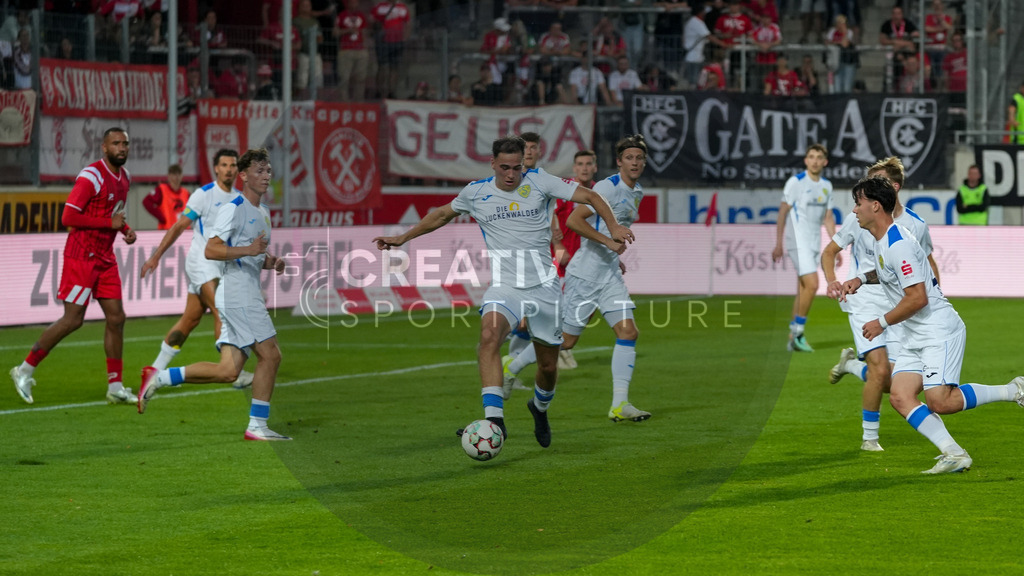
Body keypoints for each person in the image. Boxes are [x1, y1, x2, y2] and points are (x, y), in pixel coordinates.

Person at [371, 135, 635, 449]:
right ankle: (494, 420)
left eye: (517, 167)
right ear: (493, 164)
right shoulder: (476, 192)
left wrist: (614, 226)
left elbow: (591, 196)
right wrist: (403, 237)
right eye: (505, 167)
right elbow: (441, 214)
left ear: (524, 163)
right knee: (488, 337)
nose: (511, 174)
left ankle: (539, 408)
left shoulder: (540, 181)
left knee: (549, 366)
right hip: (506, 287)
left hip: (545, 289)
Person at [833, 176, 1024, 474]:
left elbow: (918, 297)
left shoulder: (898, 244)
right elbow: (888, 272)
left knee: (940, 401)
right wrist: (860, 278)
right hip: (914, 334)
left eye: (858, 204)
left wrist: (881, 323)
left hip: (937, 330)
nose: (854, 210)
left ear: (875, 206)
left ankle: (1013, 390)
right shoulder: (884, 240)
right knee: (900, 396)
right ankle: (954, 453)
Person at [140, 148, 290, 441]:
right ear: (244, 176)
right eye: (259, 171)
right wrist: (248, 251)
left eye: (268, 171)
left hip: (244, 294)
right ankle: (257, 426)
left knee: (228, 371)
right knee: (270, 356)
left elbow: (253, 253)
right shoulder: (233, 207)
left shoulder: (264, 212)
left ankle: (158, 377)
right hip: (237, 296)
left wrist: (271, 262)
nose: (266, 176)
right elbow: (212, 249)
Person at [10, 127, 138, 405]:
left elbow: (112, 214)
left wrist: (125, 229)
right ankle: (24, 369)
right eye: (116, 143)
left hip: (105, 257)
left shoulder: (125, 178)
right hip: (81, 256)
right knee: (73, 319)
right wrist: (110, 224)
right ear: (104, 148)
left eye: (125, 144)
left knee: (117, 318)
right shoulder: (91, 176)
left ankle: (115, 386)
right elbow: (68, 216)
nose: (122, 148)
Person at [823, 155, 940, 450]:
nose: (871, 188)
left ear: (895, 187)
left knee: (896, 379)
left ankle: (850, 367)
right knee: (879, 370)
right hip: (862, 297)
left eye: (879, 182)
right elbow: (828, 252)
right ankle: (870, 439)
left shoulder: (915, 224)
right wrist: (832, 280)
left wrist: (938, 298)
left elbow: (927, 262)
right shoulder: (858, 216)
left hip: (897, 303)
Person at [139, 148, 254, 389]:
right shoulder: (204, 195)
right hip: (200, 261)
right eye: (224, 165)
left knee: (189, 320)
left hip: (219, 267)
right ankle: (231, 368)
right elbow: (180, 226)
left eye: (233, 165)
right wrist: (156, 256)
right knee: (222, 308)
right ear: (216, 168)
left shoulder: (238, 199)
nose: (229, 169)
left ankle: (155, 371)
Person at [560, 136, 651, 422]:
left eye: (639, 158)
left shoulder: (638, 192)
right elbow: (574, 221)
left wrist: (615, 255)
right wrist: (609, 243)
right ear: (619, 162)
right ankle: (513, 365)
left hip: (609, 275)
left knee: (628, 332)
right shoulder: (606, 188)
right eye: (629, 158)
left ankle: (619, 405)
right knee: (564, 342)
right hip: (584, 274)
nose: (634, 162)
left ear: (644, 162)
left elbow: (612, 231)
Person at [503, 148, 597, 384]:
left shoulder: (597, 192)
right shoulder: (567, 192)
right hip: (559, 265)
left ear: (595, 167)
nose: (585, 168)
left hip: (582, 265)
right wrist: (558, 246)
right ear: (575, 168)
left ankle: (518, 354)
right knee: (542, 318)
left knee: (556, 320)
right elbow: (550, 213)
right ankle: (512, 355)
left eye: (589, 164)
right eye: (580, 164)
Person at [771, 144, 835, 352]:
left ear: (825, 162)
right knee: (813, 284)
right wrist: (779, 242)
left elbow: (828, 217)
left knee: (803, 288)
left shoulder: (827, 186)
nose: (815, 161)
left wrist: (835, 244)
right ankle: (798, 334)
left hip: (814, 243)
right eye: (811, 157)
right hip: (797, 241)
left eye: (819, 157)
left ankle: (793, 336)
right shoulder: (796, 182)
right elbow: (782, 212)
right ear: (806, 160)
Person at [371, 0, 411, 99]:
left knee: (394, 67)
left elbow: (408, 23)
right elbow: (372, 21)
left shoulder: (402, 7)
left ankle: (391, 91)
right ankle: (379, 91)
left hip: (397, 41)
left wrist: (405, 38)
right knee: (382, 67)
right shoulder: (380, 7)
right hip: (383, 41)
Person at [334, 0, 370, 102]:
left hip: (360, 50)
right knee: (344, 78)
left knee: (360, 77)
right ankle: (343, 101)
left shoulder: (361, 16)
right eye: (352, 1)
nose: (354, 3)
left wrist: (365, 47)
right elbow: (335, 32)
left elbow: (364, 32)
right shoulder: (341, 15)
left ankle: (359, 101)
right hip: (346, 50)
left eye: (356, 2)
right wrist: (347, 30)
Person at [143, 164, 189, 231]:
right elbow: (147, 202)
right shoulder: (162, 190)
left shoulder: (186, 193)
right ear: (169, 176)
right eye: (174, 174)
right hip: (166, 230)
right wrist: (161, 217)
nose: (177, 177)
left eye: (179, 174)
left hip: (184, 231)